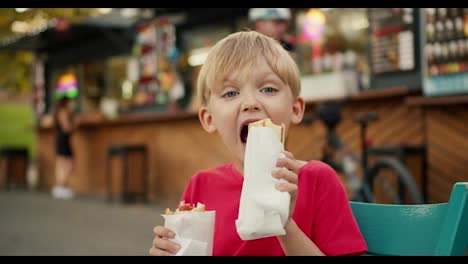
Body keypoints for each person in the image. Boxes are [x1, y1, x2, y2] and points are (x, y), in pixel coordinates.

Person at [149, 31, 367, 256]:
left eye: (268, 89)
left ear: (295, 109)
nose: (250, 103)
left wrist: (284, 224)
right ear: (209, 118)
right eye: (231, 93)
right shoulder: (201, 186)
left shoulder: (318, 180)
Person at [51, 96, 75, 199]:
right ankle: (61, 186)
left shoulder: (58, 111)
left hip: (61, 139)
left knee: (61, 163)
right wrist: (75, 125)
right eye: (70, 102)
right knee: (67, 163)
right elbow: (66, 127)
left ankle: (60, 187)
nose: (72, 104)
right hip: (63, 140)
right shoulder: (64, 111)